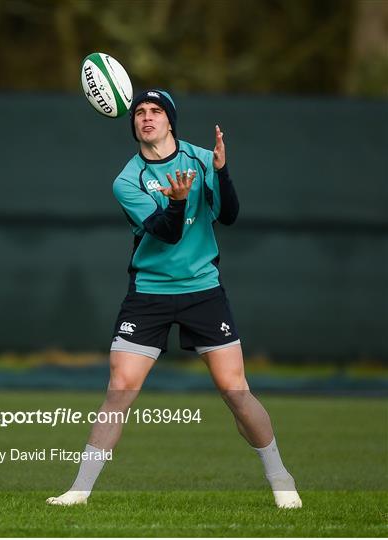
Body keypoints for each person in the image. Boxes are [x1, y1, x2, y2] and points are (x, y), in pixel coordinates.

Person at [47, 89, 302, 509]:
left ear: (171, 121)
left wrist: (222, 172)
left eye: (156, 111)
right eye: (140, 112)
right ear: (133, 123)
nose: (147, 117)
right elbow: (165, 231)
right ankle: (79, 490)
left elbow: (230, 214)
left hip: (203, 289)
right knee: (119, 389)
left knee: (235, 390)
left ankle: (281, 477)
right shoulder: (127, 180)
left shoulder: (201, 158)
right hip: (149, 292)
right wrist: (177, 201)